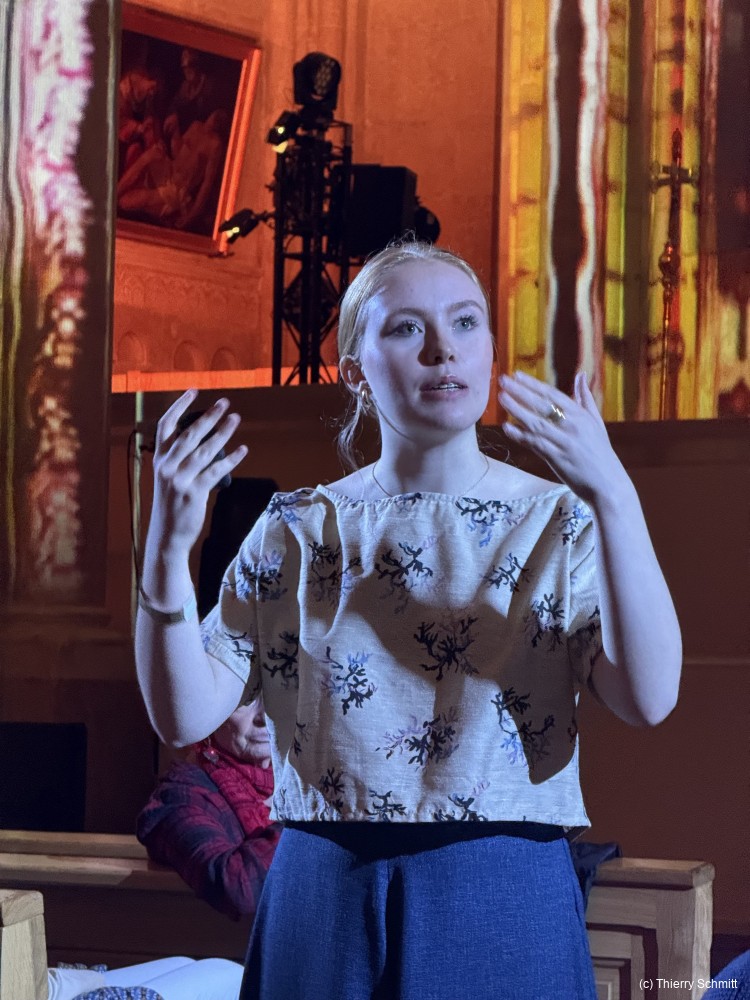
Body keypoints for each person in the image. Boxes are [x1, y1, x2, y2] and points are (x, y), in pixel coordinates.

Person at [135, 240, 682, 1000]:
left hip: (502, 884)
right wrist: (166, 552)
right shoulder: (298, 528)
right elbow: (183, 714)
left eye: (465, 322)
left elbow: (648, 698)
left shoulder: (557, 521)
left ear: (490, 349)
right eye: (405, 328)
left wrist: (615, 498)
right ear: (353, 370)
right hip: (324, 885)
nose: (442, 349)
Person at [136, 695, 280, 921]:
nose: (265, 717)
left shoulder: (294, 782)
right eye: (246, 700)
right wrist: (309, 822)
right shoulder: (181, 795)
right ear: (211, 714)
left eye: (278, 695)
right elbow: (238, 888)